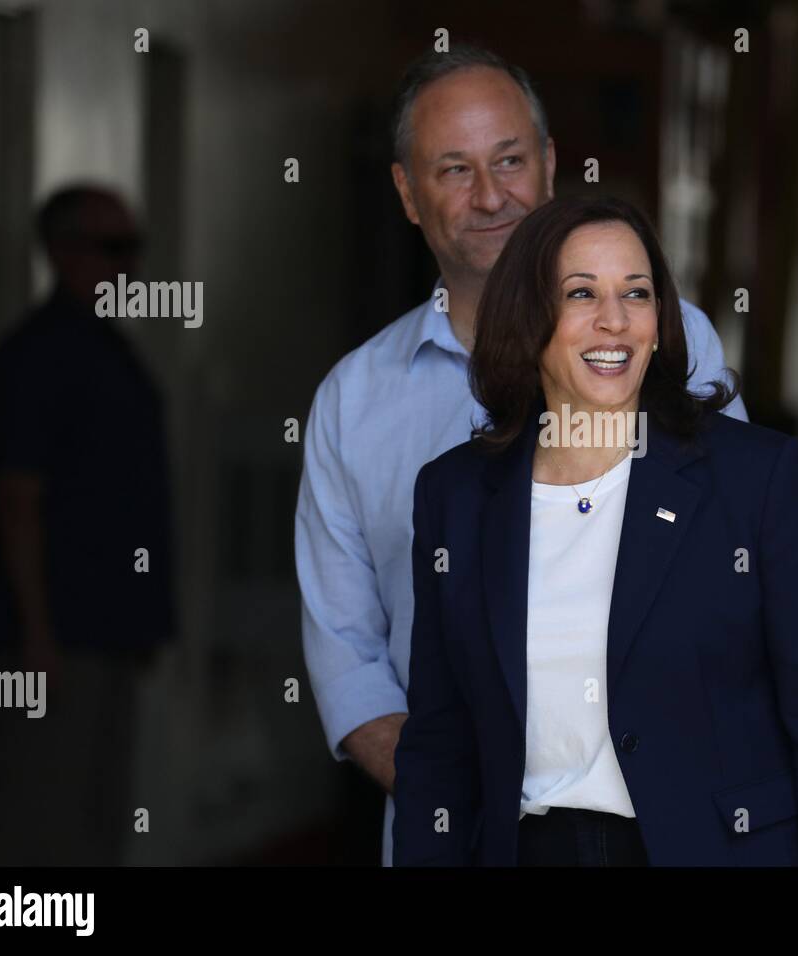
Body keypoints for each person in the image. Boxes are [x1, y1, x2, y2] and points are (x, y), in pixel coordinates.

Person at [295, 45, 746, 866]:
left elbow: (739, 588)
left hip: (668, 833)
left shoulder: (674, 343)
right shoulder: (353, 404)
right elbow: (347, 660)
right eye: (454, 170)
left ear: (547, 164)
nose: (491, 195)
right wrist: (470, 799)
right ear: (406, 191)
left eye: (509, 161)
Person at [393, 196, 798, 866]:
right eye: (581, 293)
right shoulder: (455, 497)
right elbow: (439, 746)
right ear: (528, 316)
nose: (615, 321)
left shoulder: (757, 479)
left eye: (637, 293)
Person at [0, 184, 174, 865]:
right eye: (114, 249)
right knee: (39, 823)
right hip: (59, 637)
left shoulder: (107, 349)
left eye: (134, 249)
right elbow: (18, 499)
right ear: (64, 253)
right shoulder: (38, 354)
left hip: (103, 632)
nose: (130, 267)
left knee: (95, 823)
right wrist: (38, 635)